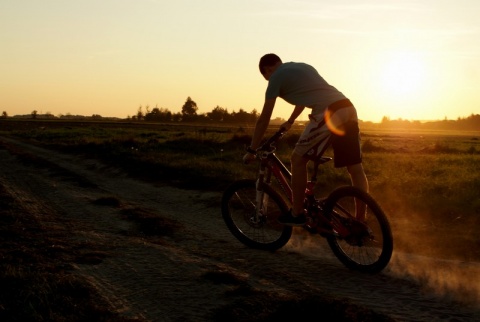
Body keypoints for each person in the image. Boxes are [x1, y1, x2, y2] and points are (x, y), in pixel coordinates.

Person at [243, 53, 368, 226]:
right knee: (355, 168)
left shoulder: (275, 78)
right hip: (347, 106)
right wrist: (290, 121)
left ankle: (297, 213)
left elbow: (264, 118)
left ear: (267, 70)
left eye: (266, 77)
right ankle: (360, 220)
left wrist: (252, 149)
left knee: (298, 159)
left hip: (328, 112)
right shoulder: (302, 67)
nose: (268, 80)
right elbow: (305, 97)